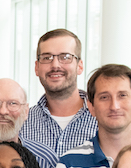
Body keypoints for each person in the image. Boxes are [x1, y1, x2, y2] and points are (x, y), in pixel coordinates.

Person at [17, 28, 95, 160]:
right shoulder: (20, 123)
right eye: (47, 58)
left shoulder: (101, 120)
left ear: (80, 66)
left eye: (65, 57)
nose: (55, 65)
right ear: (37, 67)